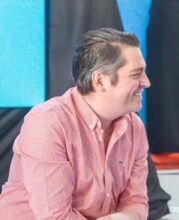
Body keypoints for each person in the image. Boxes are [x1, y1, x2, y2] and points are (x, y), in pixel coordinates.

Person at [0, 28, 151, 220]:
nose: (146, 82)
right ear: (100, 81)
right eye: (136, 74)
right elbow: (55, 217)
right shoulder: (48, 122)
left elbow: (136, 203)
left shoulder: (134, 127)